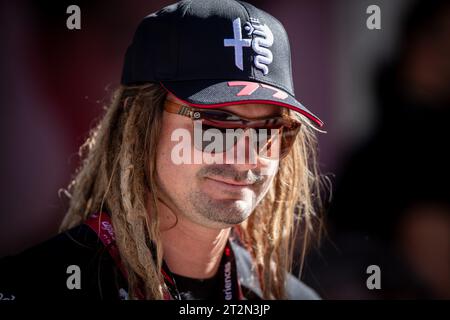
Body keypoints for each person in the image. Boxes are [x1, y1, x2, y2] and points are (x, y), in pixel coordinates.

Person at [0, 0, 324, 300]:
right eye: (217, 124)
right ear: (139, 124)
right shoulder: (32, 286)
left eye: (269, 131)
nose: (246, 156)